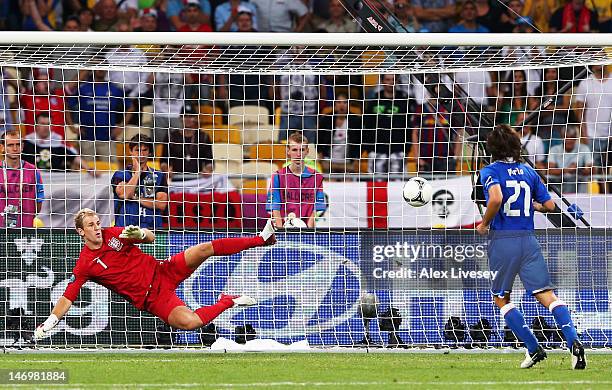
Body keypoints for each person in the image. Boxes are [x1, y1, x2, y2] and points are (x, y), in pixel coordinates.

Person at [34, 208, 277, 338]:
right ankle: (228, 301)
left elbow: (151, 238)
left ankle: (261, 239)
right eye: (91, 225)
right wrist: (51, 321)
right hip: (153, 299)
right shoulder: (85, 264)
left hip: (163, 271)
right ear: (80, 232)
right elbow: (69, 295)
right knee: (190, 322)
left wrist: (139, 234)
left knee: (204, 249)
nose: (97, 228)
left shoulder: (113, 234)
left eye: (98, 222)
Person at [476, 124, 586, 369]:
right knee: (547, 295)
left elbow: (495, 198)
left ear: (491, 148)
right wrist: (531, 206)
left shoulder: (489, 171)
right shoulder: (528, 171)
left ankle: (533, 347)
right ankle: (573, 342)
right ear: (516, 146)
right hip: (528, 240)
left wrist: (484, 223)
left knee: (501, 297)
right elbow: (549, 205)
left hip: (504, 240)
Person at [267, 132, 325, 228]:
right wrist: (281, 232)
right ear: (288, 151)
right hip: (283, 229)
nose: (298, 154)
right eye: (294, 150)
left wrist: (308, 232)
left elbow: (315, 210)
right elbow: (275, 208)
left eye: (302, 150)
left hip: (306, 230)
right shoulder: (277, 176)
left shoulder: (316, 177)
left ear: (307, 151)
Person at [112, 135, 168, 229]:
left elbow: (161, 204)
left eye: (145, 150)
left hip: (152, 229)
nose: (141, 154)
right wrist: (137, 172)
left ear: (149, 152)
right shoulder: (120, 175)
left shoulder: (159, 175)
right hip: (124, 229)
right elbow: (125, 194)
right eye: (137, 150)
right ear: (131, 152)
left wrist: (135, 197)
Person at [0, 130, 44, 228]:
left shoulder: (33, 171)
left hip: (25, 231)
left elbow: (39, 203)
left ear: (22, 146)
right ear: (2, 148)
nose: (15, 148)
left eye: (18, 144)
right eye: (10, 145)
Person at [22, 112, 90, 174]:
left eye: (48, 124)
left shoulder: (59, 140)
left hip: (55, 180)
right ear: (36, 125)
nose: (46, 127)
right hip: (32, 179)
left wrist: (89, 169)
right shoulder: (26, 141)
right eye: (42, 124)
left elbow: (75, 157)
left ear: (52, 126)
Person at [573, 64, 612, 171]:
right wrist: (584, 134)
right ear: (592, 64)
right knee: (593, 171)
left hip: (610, 134)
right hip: (592, 135)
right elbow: (580, 112)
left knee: (608, 173)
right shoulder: (585, 83)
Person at [548, 126, 593, 193]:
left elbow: (591, 169)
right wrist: (568, 170)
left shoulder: (584, 148)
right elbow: (550, 170)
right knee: (569, 180)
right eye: (567, 137)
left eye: (572, 137)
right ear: (562, 138)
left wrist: (579, 169)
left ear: (576, 138)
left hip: (579, 183)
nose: (569, 140)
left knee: (574, 179)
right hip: (559, 183)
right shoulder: (554, 149)